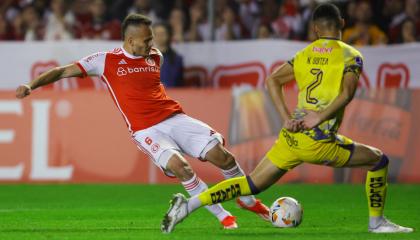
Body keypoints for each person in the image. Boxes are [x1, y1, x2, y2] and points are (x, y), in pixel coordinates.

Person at [161, 3, 414, 234]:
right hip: (318, 141)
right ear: (343, 24)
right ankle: (377, 222)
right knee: (378, 161)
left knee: (250, 184)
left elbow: (272, 80)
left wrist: (286, 117)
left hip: (291, 138)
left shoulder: (304, 54)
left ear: (315, 29)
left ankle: (189, 205)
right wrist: (320, 117)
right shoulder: (350, 55)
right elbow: (347, 93)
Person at [15, 13, 270, 230]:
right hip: (146, 130)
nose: (152, 43)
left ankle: (246, 200)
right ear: (129, 40)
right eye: (146, 39)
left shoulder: (155, 56)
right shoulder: (105, 61)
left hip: (174, 117)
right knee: (182, 167)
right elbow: (61, 71)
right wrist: (31, 85)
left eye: (152, 38)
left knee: (222, 156)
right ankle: (223, 216)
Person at [153, 23, 183, 87]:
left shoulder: (177, 59)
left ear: (169, 35)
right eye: (156, 34)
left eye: (162, 34)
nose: (159, 37)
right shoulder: (146, 59)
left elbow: (176, 82)